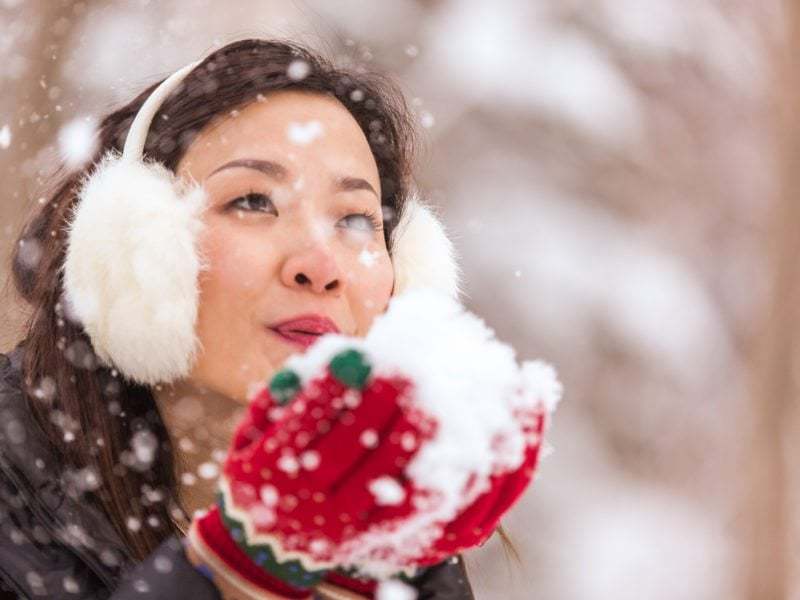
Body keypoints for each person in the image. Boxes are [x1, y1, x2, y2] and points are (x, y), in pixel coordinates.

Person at [0, 38, 552, 599]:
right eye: (254, 202)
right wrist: (233, 576)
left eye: (357, 220)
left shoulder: (385, 539)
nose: (321, 265)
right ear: (132, 247)